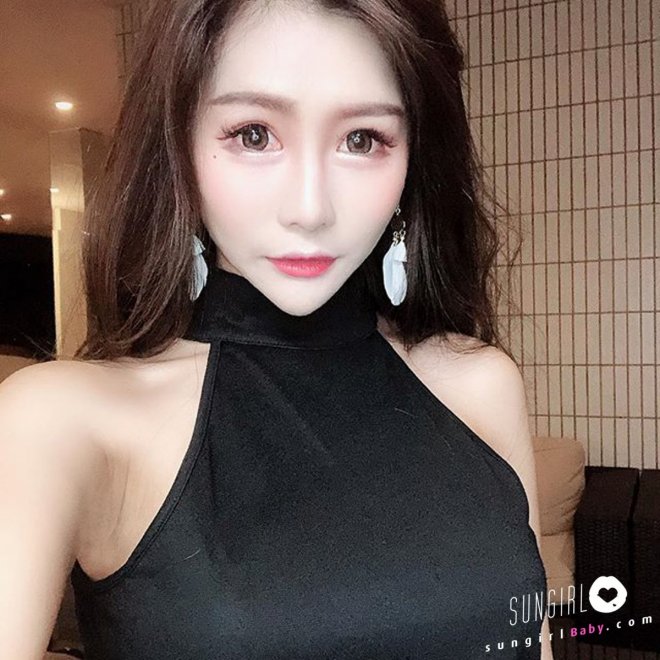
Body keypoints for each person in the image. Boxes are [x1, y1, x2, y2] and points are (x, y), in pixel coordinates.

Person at [0, 0, 554, 658]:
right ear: (178, 149)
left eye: (362, 139)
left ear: (413, 160)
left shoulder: (479, 384)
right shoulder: (58, 422)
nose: (310, 209)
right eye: (254, 135)